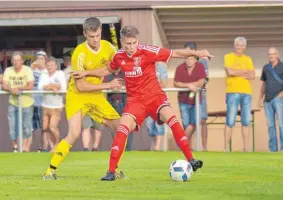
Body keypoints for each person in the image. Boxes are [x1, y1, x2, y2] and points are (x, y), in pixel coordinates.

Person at [72, 25, 212, 181]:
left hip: (155, 96)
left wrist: (198, 53)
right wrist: (86, 72)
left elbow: (176, 53)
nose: (131, 47)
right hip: (135, 101)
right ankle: (111, 172)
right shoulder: (119, 56)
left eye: (134, 43)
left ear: (137, 40)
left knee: (172, 119)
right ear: (121, 41)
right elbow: (107, 70)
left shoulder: (148, 51)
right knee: (122, 129)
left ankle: (191, 160)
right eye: (127, 44)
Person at [42, 17, 123, 180]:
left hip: (96, 95)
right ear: (85, 33)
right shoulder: (79, 53)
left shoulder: (108, 47)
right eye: (91, 36)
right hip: (77, 96)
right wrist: (108, 85)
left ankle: (114, 170)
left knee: (120, 128)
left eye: (98, 35)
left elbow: (115, 67)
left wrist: (116, 67)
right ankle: (50, 172)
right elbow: (81, 86)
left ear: (101, 31)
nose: (95, 40)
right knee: (74, 133)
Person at [224, 37, 255, 152]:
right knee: (230, 121)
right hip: (232, 92)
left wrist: (236, 72)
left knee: (246, 121)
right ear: (234, 45)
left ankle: (246, 148)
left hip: (246, 93)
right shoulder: (228, 57)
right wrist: (244, 72)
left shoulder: (248, 59)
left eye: (242, 45)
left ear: (245, 47)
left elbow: (252, 75)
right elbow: (230, 72)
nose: (239, 47)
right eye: (237, 45)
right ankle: (226, 148)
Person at [2, 52, 35, 152]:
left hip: (27, 102)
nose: (16, 62)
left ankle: (24, 147)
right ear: (11, 61)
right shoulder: (8, 70)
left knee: (26, 127)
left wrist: (18, 88)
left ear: (22, 61)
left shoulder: (27, 70)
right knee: (12, 127)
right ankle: (15, 148)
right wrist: (11, 89)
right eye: (14, 60)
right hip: (13, 102)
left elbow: (30, 85)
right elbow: (4, 85)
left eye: (18, 60)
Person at [174, 56, 206, 150]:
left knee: (195, 122)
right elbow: (176, 83)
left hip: (196, 100)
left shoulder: (200, 67)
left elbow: (202, 81)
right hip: (183, 100)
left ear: (195, 60)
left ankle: (180, 141)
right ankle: (188, 147)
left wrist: (193, 86)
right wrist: (189, 86)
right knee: (186, 123)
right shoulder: (180, 68)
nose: (189, 61)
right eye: (187, 59)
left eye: (191, 59)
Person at [184, 42, 209, 151]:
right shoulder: (185, 63)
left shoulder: (203, 62)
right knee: (190, 121)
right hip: (187, 95)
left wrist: (195, 84)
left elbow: (206, 79)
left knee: (202, 119)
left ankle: (204, 147)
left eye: (187, 50)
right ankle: (189, 147)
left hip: (200, 94)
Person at [38, 57, 67, 152]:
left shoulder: (60, 74)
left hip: (56, 106)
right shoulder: (44, 75)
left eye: (52, 65)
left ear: (56, 66)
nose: (50, 67)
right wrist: (53, 87)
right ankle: (52, 146)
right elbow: (40, 87)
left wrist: (50, 86)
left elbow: (62, 87)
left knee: (52, 126)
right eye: (48, 65)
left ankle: (57, 144)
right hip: (45, 105)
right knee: (45, 128)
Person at [259, 47, 283, 152]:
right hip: (267, 101)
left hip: (279, 99)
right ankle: (273, 149)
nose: (271, 56)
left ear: (277, 55)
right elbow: (264, 83)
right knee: (270, 126)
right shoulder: (266, 67)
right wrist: (260, 98)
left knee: (282, 125)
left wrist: (280, 95)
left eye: (273, 54)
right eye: (269, 54)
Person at [146, 61, 169, 151]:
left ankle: (157, 147)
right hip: (147, 100)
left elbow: (164, 84)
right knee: (149, 124)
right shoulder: (144, 68)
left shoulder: (161, 68)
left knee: (158, 122)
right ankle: (155, 145)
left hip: (158, 99)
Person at [31, 51, 48, 152]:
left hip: (45, 103)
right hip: (32, 102)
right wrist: (31, 68)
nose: (40, 61)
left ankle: (44, 147)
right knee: (30, 127)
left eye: (42, 59)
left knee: (44, 127)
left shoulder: (48, 71)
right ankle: (27, 149)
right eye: (38, 59)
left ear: (45, 59)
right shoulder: (31, 70)